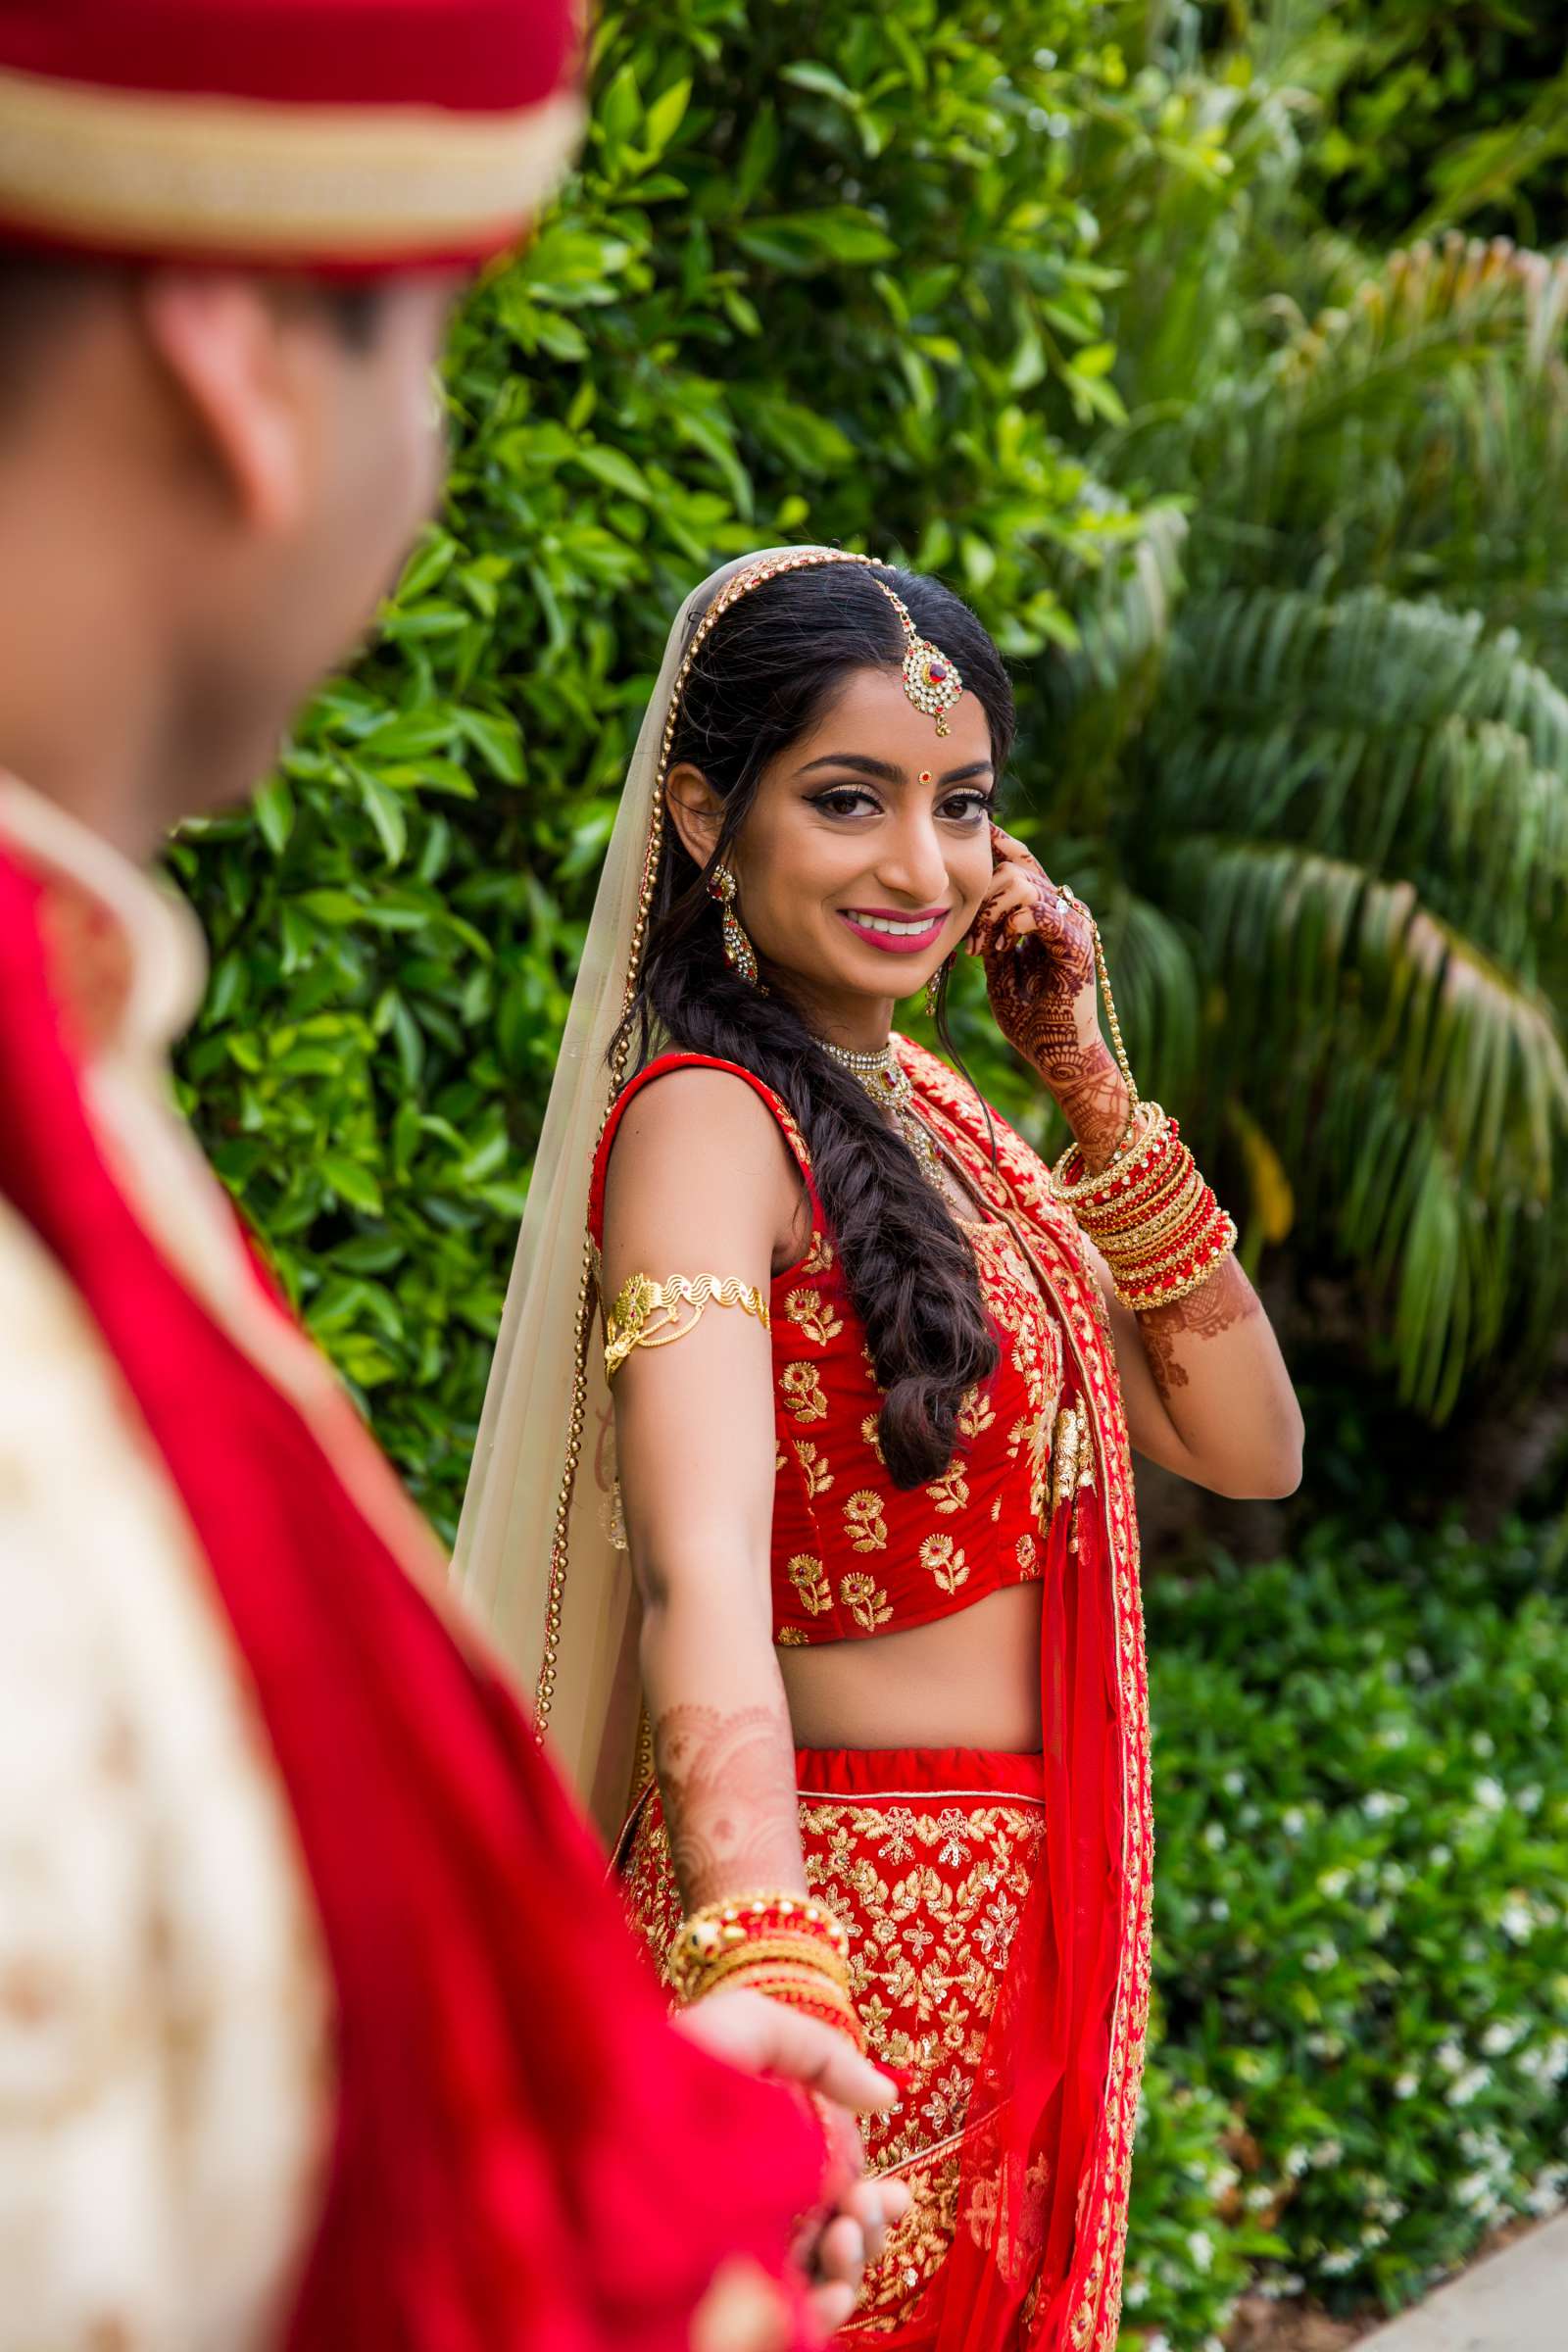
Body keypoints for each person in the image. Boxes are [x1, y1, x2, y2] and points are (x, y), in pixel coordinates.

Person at [0, 17, 905, 2349]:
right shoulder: (700, 1130)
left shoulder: (83, 1057)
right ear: (240, 366)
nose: (424, 489)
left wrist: (627, 2133)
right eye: (440, 358)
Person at [459, 546, 1305, 2348]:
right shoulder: (708, 1123)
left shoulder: (953, 1127)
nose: (922, 868)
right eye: (851, 801)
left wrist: (1083, 1072)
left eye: (964, 807)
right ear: (704, 818)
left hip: (1015, 1926)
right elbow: (699, 1581)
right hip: (834, 1923)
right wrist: (766, 1948)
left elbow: (1249, 1445)